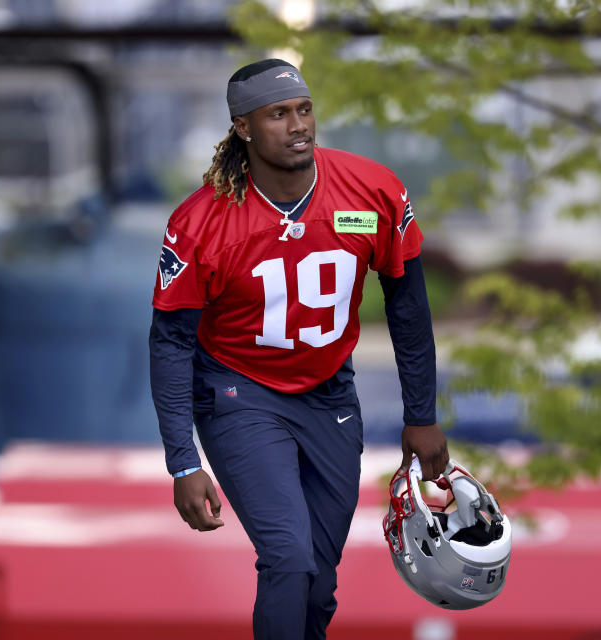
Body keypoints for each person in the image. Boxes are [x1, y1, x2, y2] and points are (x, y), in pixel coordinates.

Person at [149, 58, 449, 640]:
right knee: (286, 557)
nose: (298, 125)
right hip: (239, 392)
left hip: (330, 391)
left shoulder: (374, 191)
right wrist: (184, 461)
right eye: (278, 114)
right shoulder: (201, 221)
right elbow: (169, 343)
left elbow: (408, 308)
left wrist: (423, 416)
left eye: (304, 109)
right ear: (243, 127)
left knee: (318, 579)